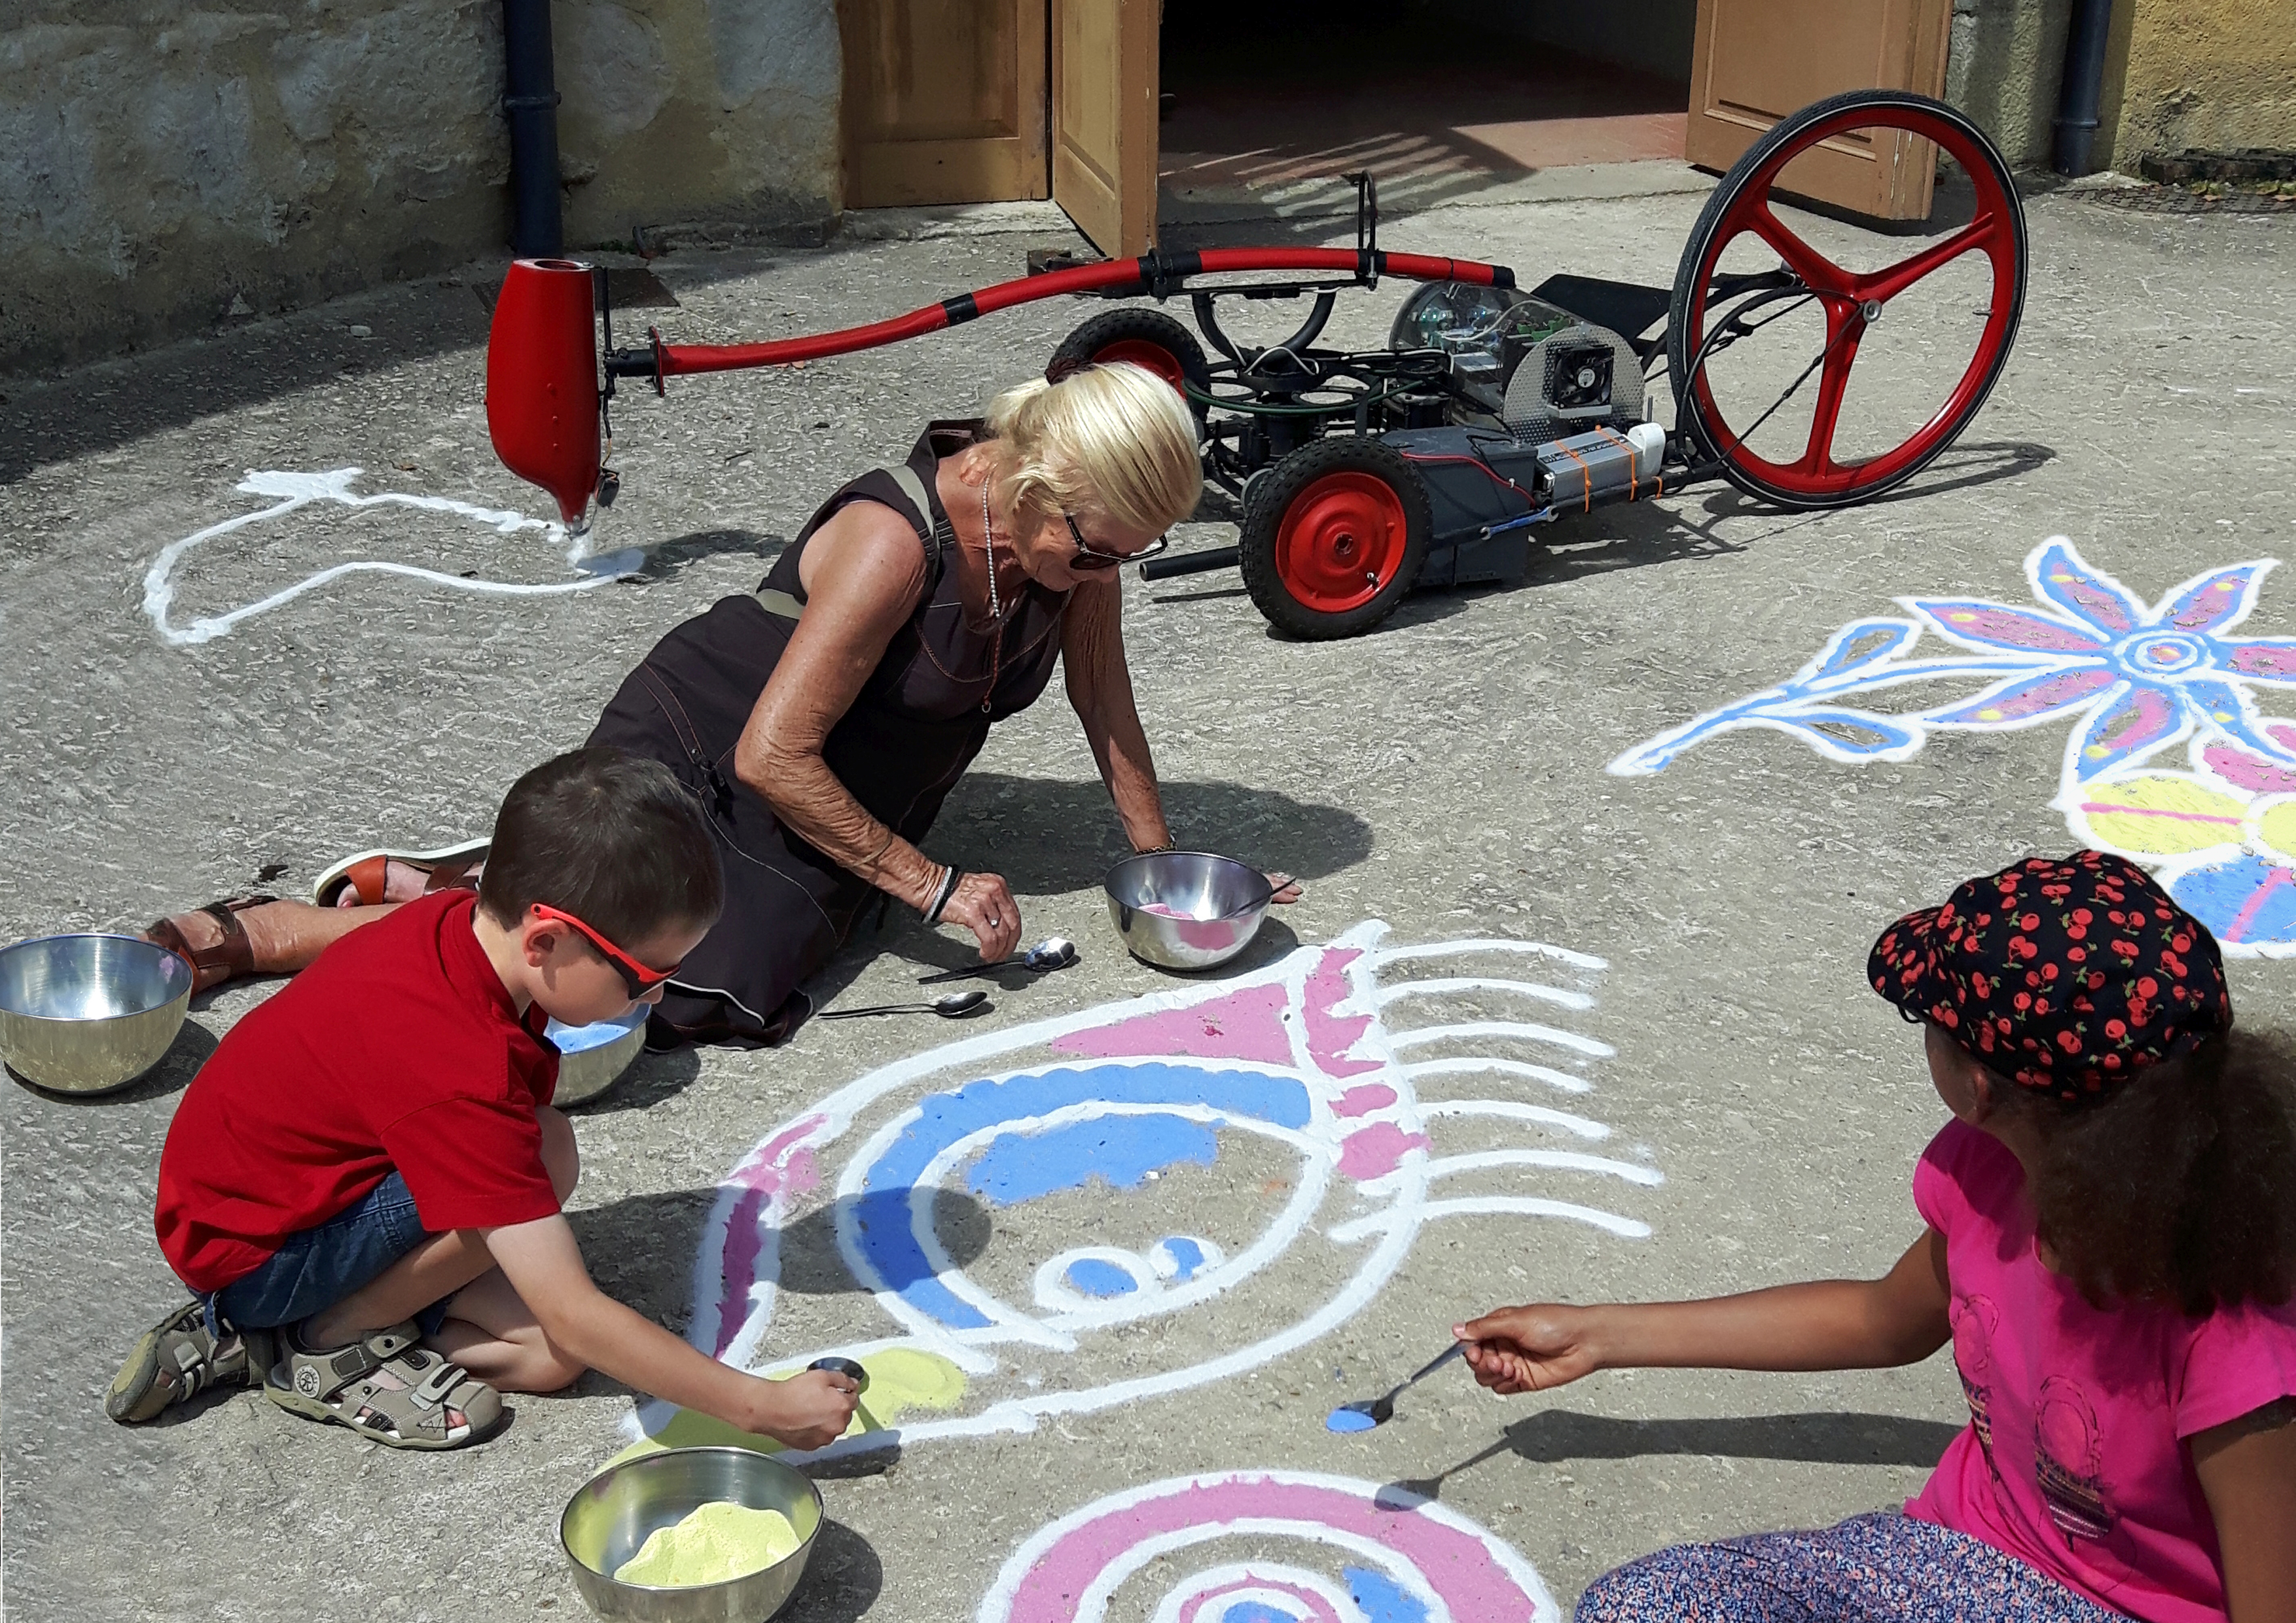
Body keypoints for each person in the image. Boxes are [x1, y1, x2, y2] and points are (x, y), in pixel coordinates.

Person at [145, 361, 1297, 1046]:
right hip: (709, 748)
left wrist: (1166, 877)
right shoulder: (900, 542)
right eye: (1098, 550)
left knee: (711, 984)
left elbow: (1103, 697)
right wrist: (930, 884)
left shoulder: (1070, 548)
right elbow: (772, 753)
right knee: (603, 979)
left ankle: (459, 877)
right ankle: (269, 936)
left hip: (826, 782)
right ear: (1039, 485)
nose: (1107, 577)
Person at [1455, 851, 2296, 1623]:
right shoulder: (1990, 1172)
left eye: (1925, 1018)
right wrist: (1598, 1335)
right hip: (1955, 1558)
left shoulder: (2234, 1325)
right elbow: (1880, 1320)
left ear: (1975, 1084)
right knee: (1642, 1606)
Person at [107, 749, 860, 1452]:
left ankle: (265, 1339)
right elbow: (574, 1307)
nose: (656, 995)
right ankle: (326, 1336)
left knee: (547, 1358)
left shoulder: (459, 925)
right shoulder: (460, 1066)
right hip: (259, 1254)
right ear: (547, 941)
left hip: (268, 1204)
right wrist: (761, 1406)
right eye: (641, 976)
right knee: (546, 1157)